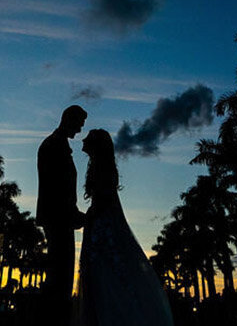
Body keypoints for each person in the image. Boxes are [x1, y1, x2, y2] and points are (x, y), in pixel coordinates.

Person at [75, 129, 173, 326]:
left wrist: (89, 217)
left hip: (103, 229)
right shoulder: (100, 166)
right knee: (99, 273)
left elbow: (103, 200)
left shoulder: (103, 169)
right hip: (99, 225)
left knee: (104, 272)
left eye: (89, 137)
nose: (83, 139)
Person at [37, 105, 88, 326]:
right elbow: (56, 187)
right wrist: (73, 214)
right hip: (58, 219)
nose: (79, 131)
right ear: (69, 119)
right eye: (78, 124)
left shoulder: (59, 145)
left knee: (62, 273)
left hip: (62, 218)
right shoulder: (54, 145)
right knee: (60, 275)